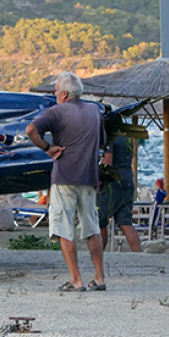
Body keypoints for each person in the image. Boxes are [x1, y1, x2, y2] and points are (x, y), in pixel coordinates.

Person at [26, 71, 106, 292]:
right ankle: (99, 277)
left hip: (64, 177)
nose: (54, 95)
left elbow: (31, 130)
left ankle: (76, 280)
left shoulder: (56, 112)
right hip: (89, 177)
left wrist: (47, 148)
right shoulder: (95, 110)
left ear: (62, 93)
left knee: (64, 229)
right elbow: (102, 142)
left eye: (55, 92)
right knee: (92, 228)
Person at [98, 135, 143, 253]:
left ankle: (99, 253)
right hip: (127, 180)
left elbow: (108, 161)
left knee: (100, 221)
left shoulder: (109, 139)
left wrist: (99, 181)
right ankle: (138, 254)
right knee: (125, 222)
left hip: (112, 183)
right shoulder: (127, 138)